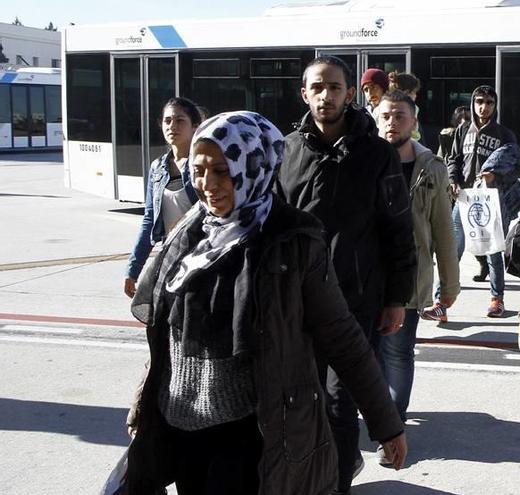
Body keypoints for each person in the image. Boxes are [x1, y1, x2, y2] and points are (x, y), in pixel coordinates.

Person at [126, 111, 407, 495]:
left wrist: (385, 423)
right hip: (181, 425)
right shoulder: (189, 235)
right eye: (199, 169)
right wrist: (143, 402)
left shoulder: (292, 241)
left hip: (249, 432)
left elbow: (342, 337)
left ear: (253, 166)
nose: (208, 185)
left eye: (223, 171)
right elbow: (166, 336)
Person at [276, 56, 416, 495]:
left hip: (356, 303)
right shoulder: (286, 150)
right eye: (317, 87)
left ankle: (335, 485)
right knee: (303, 400)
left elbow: (398, 228)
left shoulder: (376, 153)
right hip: (297, 303)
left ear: (349, 93)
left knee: (340, 402)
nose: (326, 95)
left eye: (334, 87)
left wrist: (397, 297)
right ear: (304, 94)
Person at [374, 90, 460, 437]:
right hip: (366, 275)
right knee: (369, 354)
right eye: (385, 116)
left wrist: (450, 285)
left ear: (414, 122)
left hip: (410, 277)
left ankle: (392, 425)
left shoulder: (430, 168)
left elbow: (443, 229)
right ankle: (378, 411)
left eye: (399, 116)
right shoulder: (362, 159)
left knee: (397, 353)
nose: (391, 122)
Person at [427, 85, 517, 320]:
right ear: (472, 103)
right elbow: (453, 159)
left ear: (495, 106)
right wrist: (453, 180)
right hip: (464, 197)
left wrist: (495, 175)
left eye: (488, 102)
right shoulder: (463, 129)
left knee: (493, 251)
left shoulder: (504, 135)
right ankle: (441, 303)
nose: (483, 107)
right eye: (479, 101)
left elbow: (515, 168)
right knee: (450, 249)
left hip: (490, 199)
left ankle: (497, 300)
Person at [124, 97, 202, 298]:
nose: (172, 126)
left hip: (201, 256)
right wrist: (133, 270)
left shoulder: (204, 165)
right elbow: (149, 220)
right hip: (170, 256)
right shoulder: (157, 168)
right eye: (167, 121)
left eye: (179, 121)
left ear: (195, 126)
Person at [388, 72, 422, 141]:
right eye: (414, 92)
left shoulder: (384, 106)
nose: (416, 96)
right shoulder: (412, 108)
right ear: (407, 93)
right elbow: (413, 133)